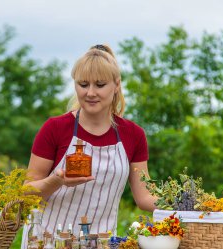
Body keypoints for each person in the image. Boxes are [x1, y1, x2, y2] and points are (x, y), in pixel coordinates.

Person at [22, 44, 157, 248]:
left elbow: (145, 197)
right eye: (83, 85)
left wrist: (190, 207)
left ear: (117, 85)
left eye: (100, 85)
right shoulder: (55, 128)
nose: (90, 93)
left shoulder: (133, 135)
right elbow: (25, 192)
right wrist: (57, 181)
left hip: (100, 243)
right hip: (47, 241)